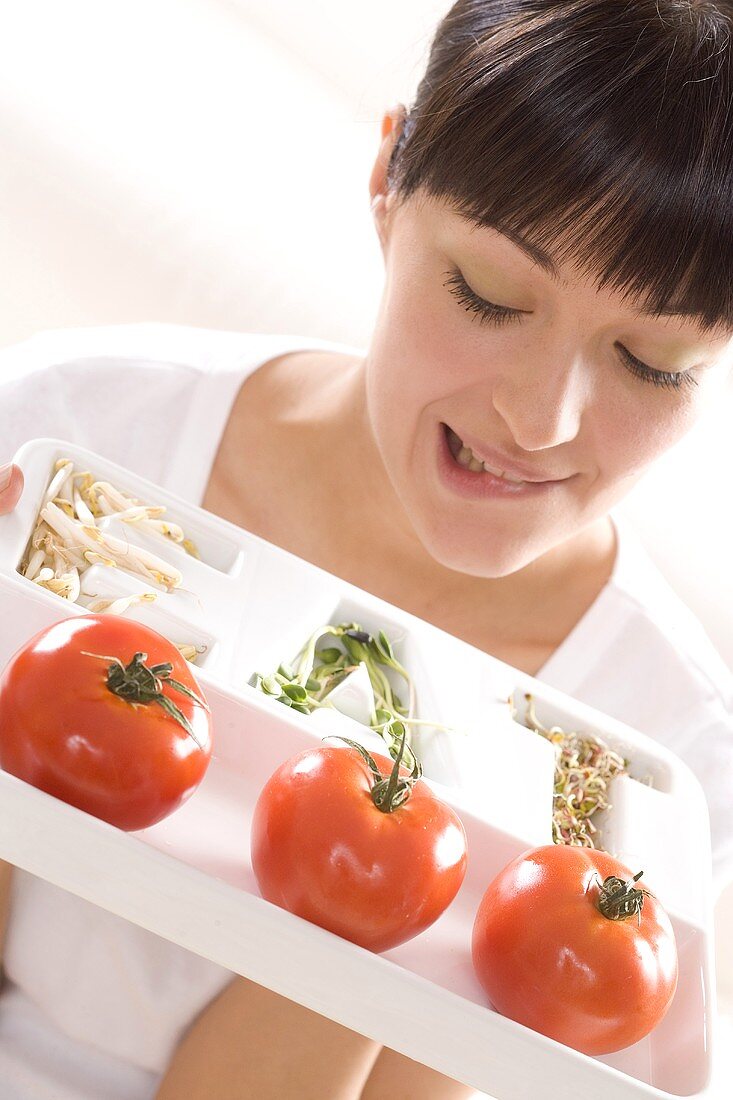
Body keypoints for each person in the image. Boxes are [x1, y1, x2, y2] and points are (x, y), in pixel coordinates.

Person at [1, 1, 733, 1097]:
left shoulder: (662, 771)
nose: (541, 419)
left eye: (651, 360)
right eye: (489, 295)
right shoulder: (81, 438)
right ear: (388, 178)